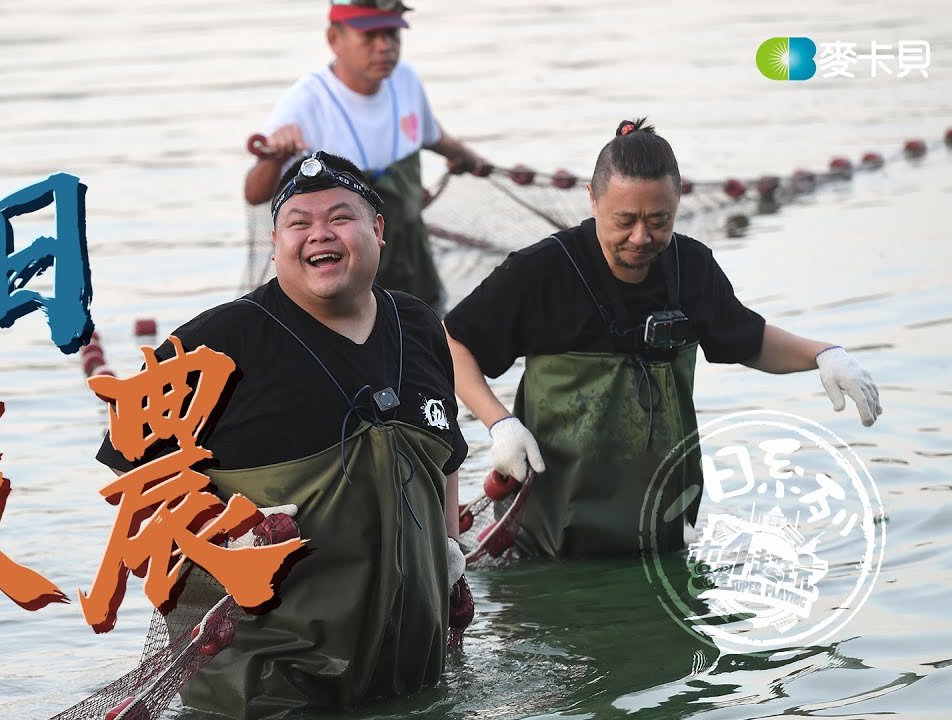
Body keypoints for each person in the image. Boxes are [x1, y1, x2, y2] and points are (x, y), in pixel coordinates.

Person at [97, 152, 468, 718]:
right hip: (267, 682)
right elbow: (133, 474)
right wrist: (218, 541)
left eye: (341, 217)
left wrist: (449, 552)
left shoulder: (416, 325)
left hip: (409, 670)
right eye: (299, 222)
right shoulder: (218, 343)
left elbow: (444, 458)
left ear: (379, 230)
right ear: (275, 241)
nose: (320, 234)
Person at [443, 119, 882, 559]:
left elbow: (747, 339)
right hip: (548, 534)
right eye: (624, 220)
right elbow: (453, 343)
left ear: (677, 203)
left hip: (659, 525)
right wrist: (500, 424)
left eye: (658, 220)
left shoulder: (690, 266)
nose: (641, 237)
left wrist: (824, 355)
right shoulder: (541, 272)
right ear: (593, 200)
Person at [243, 0, 489, 311]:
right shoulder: (305, 102)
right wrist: (274, 158)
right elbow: (254, 193)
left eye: (392, 35)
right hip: (344, 282)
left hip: (414, 270)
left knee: (428, 336)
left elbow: (433, 136)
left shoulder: (406, 81)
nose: (385, 47)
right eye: (370, 36)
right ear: (334, 39)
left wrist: (471, 159)